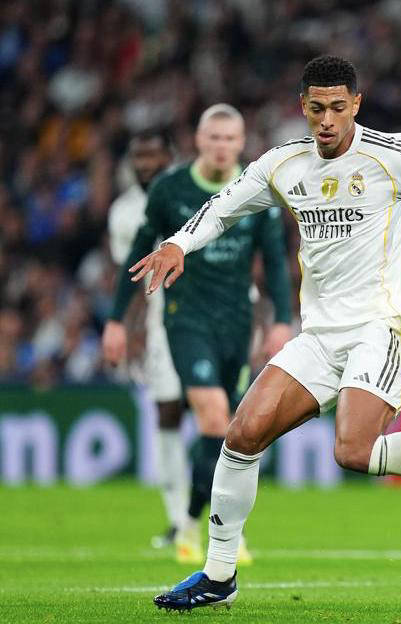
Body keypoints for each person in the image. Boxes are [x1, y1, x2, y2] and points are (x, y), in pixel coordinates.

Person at [140, 55, 401, 612]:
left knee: (353, 451)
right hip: (320, 336)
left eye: (338, 107)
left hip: (384, 327)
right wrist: (178, 243)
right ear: (302, 108)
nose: (327, 120)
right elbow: (223, 207)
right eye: (317, 109)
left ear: (357, 104)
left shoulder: (392, 155)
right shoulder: (284, 164)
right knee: (241, 436)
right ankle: (218, 577)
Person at [104, 104, 294, 565]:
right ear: (199, 141)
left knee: (231, 431)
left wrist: (282, 321)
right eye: (214, 138)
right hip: (185, 316)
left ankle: (190, 520)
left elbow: (274, 260)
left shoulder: (257, 189)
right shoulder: (170, 189)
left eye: (230, 139)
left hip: (238, 320)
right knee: (212, 419)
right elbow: (139, 248)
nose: (222, 147)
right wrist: (115, 320)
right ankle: (220, 532)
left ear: (241, 142)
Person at [103, 129, 184, 548]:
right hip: (161, 321)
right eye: (139, 157)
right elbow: (129, 275)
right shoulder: (124, 213)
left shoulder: (194, 192)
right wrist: (125, 327)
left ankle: (223, 517)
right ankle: (178, 518)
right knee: (167, 412)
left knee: (219, 415)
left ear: (170, 156)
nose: (145, 164)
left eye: (153, 155)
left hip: (216, 315)